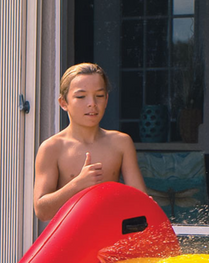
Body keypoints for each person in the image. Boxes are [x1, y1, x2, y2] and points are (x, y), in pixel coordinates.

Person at [33, 62, 148, 222]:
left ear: (106, 100)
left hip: (111, 233)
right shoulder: (52, 148)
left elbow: (141, 201)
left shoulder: (121, 143)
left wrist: (145, 205)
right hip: (72, 234)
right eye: (81, 97)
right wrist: (77, 184)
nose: (92, 103)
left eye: (99, 96)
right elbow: (41, 211)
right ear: (63, 103)